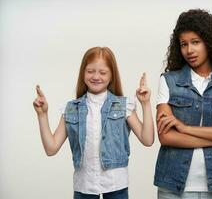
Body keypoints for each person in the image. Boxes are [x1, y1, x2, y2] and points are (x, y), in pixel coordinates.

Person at [33, 46, 154, 199]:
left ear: (111, 75)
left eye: (103, 72)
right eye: (90, 71)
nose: (96, 76)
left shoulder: (123, 106)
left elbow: (148, 140)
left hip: (116, 185)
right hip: (84, 186)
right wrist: (42, 115)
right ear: (83, 73)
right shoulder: (71, 109)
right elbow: (51, 149)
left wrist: (146, 104)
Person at [154, 9, 212, 199]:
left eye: (195, 42)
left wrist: (184, 128)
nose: (189, 50)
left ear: (209, 42)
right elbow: (166, 137)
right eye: (184, 44)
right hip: (173, 187)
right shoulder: (168, 81)